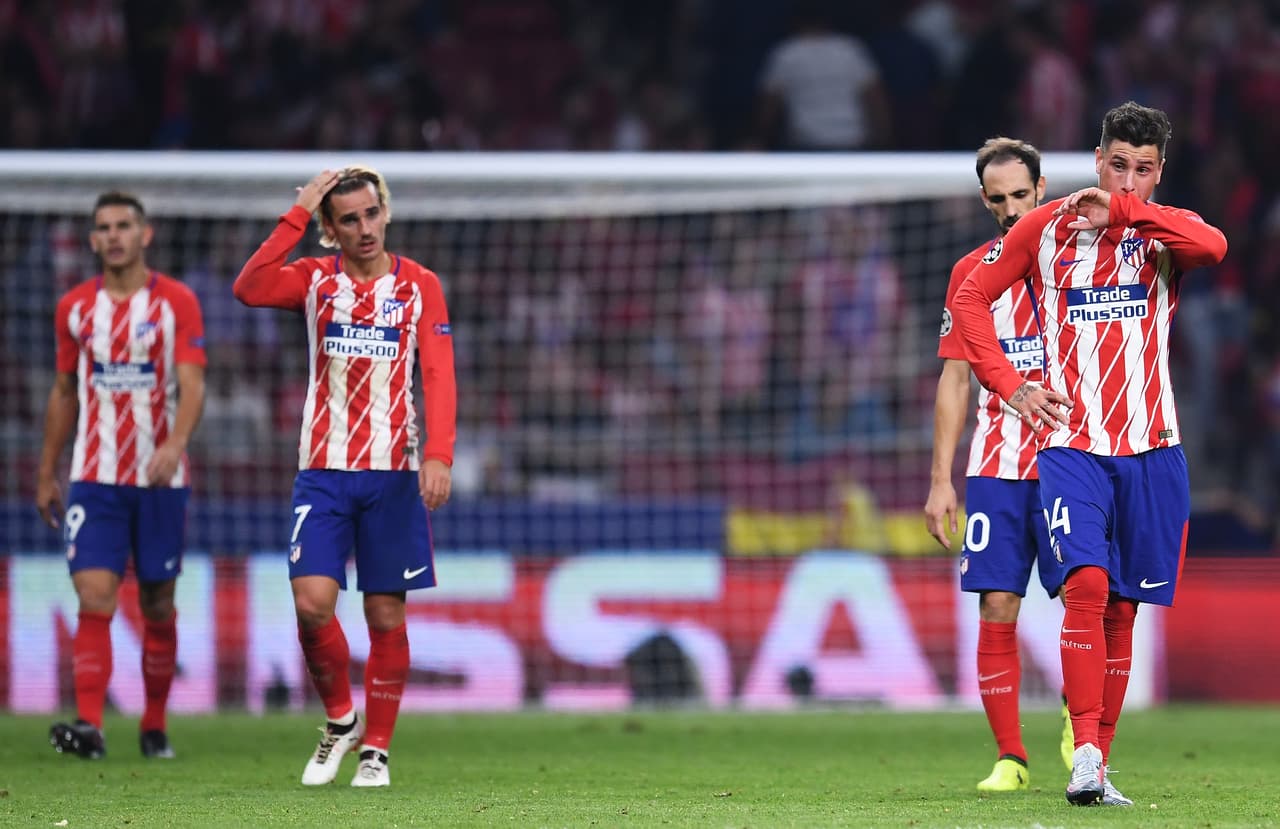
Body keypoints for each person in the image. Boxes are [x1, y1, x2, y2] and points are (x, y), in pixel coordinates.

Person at [953, 101, 1227, 806]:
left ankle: (1096, 758)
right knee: (1086, 586)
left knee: (1124, 610)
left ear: (1158, 171)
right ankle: (1079, 760)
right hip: (1074, 444)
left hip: (1153, 449)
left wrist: (1131, 214)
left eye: (1143, 168)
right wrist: (1009, 384)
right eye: (1117, 164)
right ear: (1097, 157)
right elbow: (972, 296)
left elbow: (1217, 247)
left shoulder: (1165, 234)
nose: (1128, 178)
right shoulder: (1045, 228)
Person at [233, 166, 456, 788]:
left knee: (385, 616)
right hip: (323, 472)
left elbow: (437, 373)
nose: (364, 228)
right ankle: (340, 719)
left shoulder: (421, 287)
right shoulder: (312, 280)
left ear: (386, 213)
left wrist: (438, 454)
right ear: (330, 230)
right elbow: (248, 287)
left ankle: (376, 749)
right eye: (349, 219)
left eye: (371, 214)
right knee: (312, 604)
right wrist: (298, 210)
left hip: (392, 475)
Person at [924, 137, 1075, 793]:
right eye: (998, 199)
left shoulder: (1081, 259)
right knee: (996, 602)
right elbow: (956, 381)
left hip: (1075, 459)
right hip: (996, 464)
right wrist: (939, 481)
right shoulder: (970, 273)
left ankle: (1084, 717)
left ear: (1042, 190)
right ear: (984, 202)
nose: (1012, 209)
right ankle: (1011, 758)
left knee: (1087, 595)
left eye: (1022, 195)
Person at [38, 191, 207, 760]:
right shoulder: (74, 309)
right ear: (92, 240)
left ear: (145, 235)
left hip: (161, 479)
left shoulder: (176, 302)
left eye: (123, 226)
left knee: (158, 604)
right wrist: (46, 472)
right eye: (103, 228)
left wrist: (176, 443)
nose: (113, 236)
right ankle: (90, 727)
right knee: (94, 595)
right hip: (95, 477)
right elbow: (64, 392)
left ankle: (154, 725)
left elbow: (193, 382)